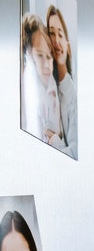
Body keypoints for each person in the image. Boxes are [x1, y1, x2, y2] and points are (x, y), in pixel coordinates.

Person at [20, 13, 65, 150]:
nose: (47, 64)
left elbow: (60, 134)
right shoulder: (29, 88)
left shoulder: (54, 87)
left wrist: (56, 139)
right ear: (29, 55)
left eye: (49, 56)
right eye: (40, 55)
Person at [46, 5, 77, 159]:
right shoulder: (47, 87)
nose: (56, 41)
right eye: (51, 33)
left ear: (68, 45)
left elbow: (74, 152)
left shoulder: (74, 95)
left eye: (60, 34)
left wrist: (53, 141)